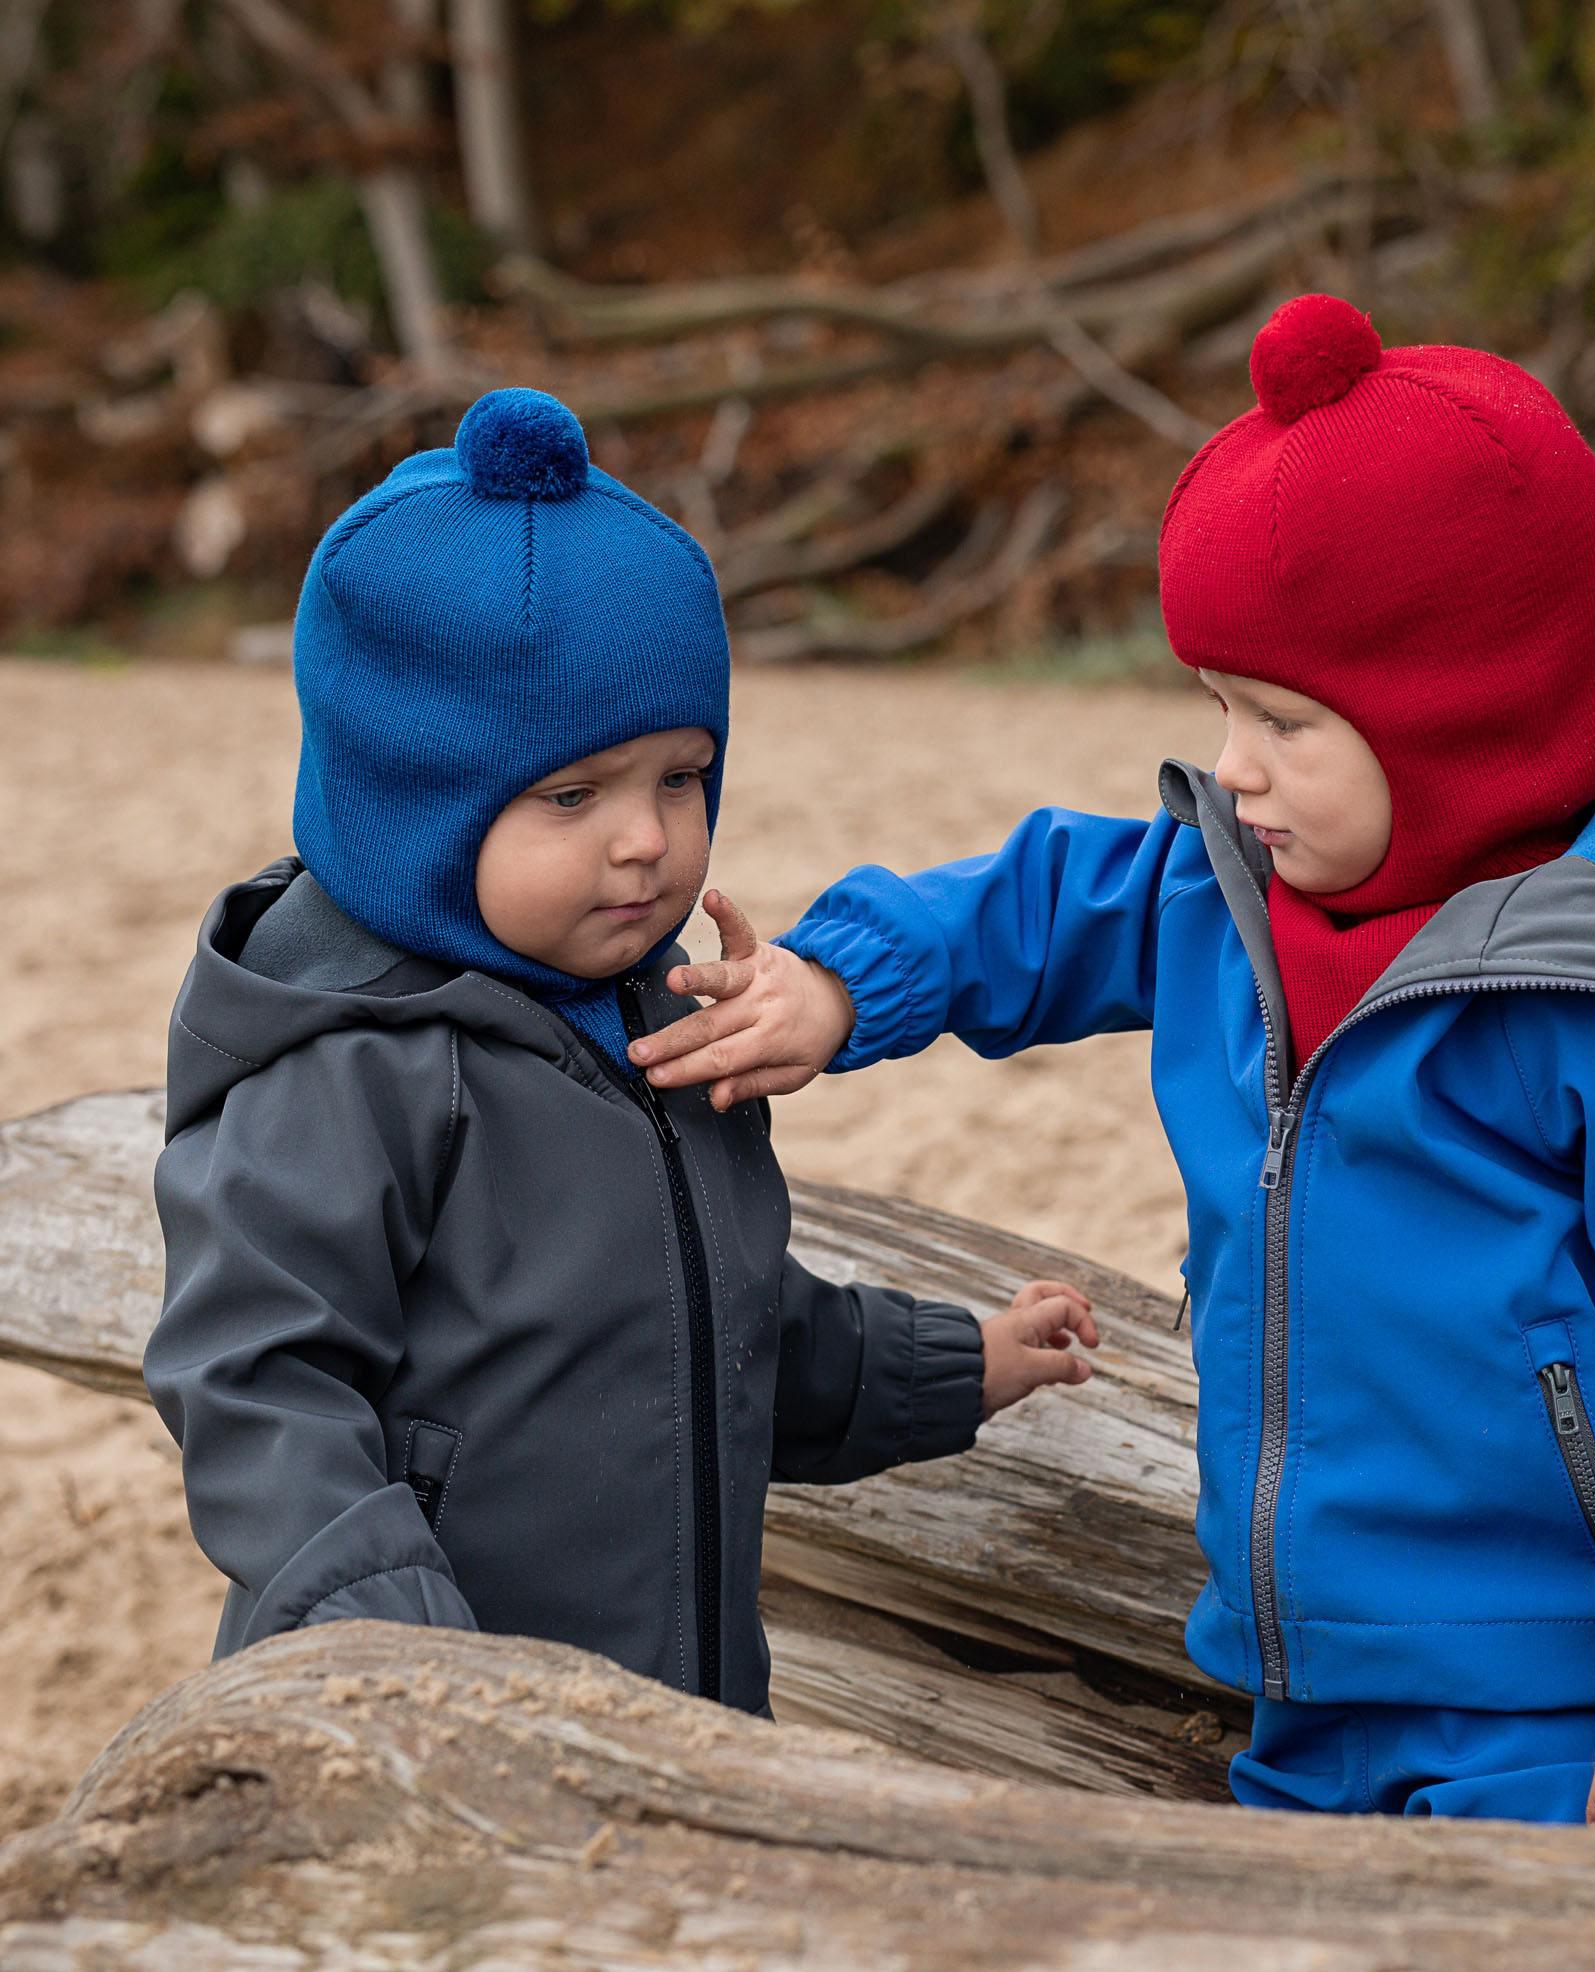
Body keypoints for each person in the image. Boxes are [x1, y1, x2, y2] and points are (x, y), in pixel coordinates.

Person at [623, 298, 1595, 1822]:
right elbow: (1027, 905)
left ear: (1467, 722)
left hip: (1547, 1680)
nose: (1233, 765)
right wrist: (834, 982)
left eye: (1283, 718)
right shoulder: (1224, 896)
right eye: (1218, 705)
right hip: (1290, 1673)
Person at [145, 387, 1097, 1715]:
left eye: (680, 776)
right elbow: (253, 1379)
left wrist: (949, 1367)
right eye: (572, 796)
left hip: (677, 1718)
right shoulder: (355, 1060)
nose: (644, 838)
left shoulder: (655, 1015)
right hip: (418, 1722)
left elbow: (726, 1324)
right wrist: (394, 1642)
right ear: (417, 810)